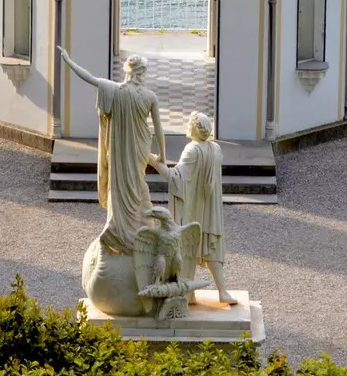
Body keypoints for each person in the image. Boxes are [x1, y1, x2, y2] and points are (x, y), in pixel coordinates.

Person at [56, 46, 165, 254]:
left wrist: (69, 61)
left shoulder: (114, 90)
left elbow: (89, 78)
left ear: (127, 72)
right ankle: (127, 234)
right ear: (141, 74)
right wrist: (163, 155)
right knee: (138, 189)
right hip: (138, 152)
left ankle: (121, 230)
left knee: (120, 188)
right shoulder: (150, 97)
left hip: (120, 153)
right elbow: (159, 131)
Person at [153, 111, 234, 305]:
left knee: (187, 248)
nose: (187, 127)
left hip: (193, 209)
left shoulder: (191, 150)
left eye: (189, 124)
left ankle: (189, 293)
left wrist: (154, 163)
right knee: (209, 247)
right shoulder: (215, 149)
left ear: (195, 128)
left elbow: (176, 179)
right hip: (210, 210)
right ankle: (221, 291)